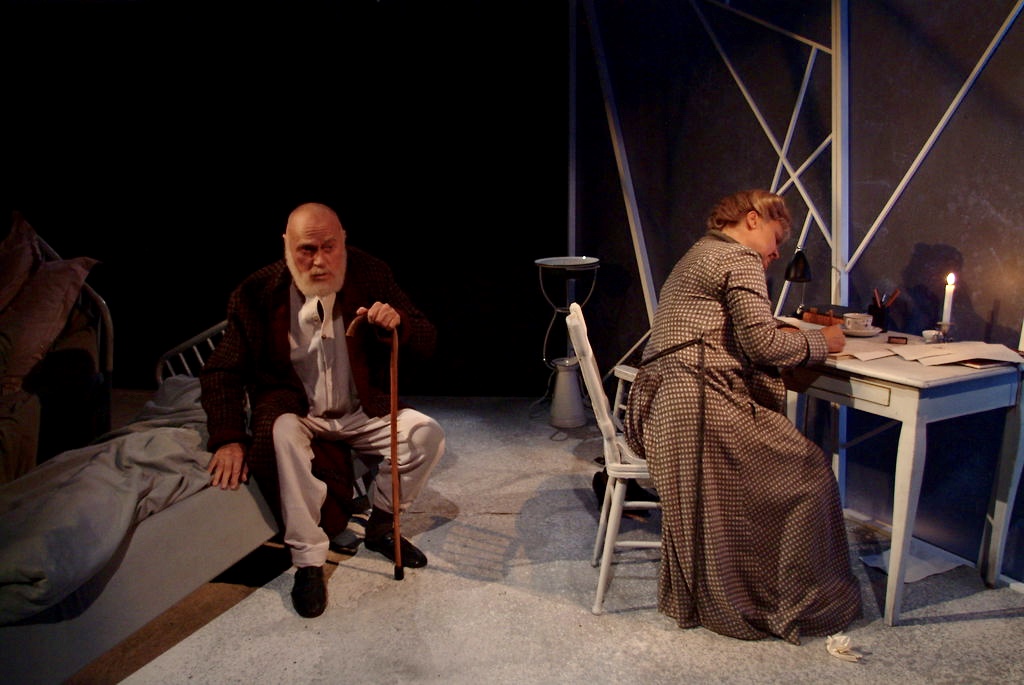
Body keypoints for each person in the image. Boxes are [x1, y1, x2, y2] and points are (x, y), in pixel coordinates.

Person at [623, 189, 862, 644]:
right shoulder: (739, 258)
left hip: (665, 401)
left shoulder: (701, 251)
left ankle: (761, 575)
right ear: (753, 220)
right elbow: (763, 346)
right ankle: (784, 591)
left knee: (790, 460)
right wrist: (822, 341)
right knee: (809, 470)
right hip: (696, 402)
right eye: (776, 237)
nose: (776, 252)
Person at [200, 201, 445, 619]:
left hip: (361, 409)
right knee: (279, 435)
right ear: (286, 246)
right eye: (306, 249)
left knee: (427, 436)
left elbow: (426, 338)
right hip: (299, 410)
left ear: (343, 241)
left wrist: (397, 323)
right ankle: (308, 561)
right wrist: (228, 438)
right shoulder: (256, 292)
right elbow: (222, 368)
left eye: (329, 247)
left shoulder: (371, 273)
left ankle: (382, 526)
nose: (319, 261)